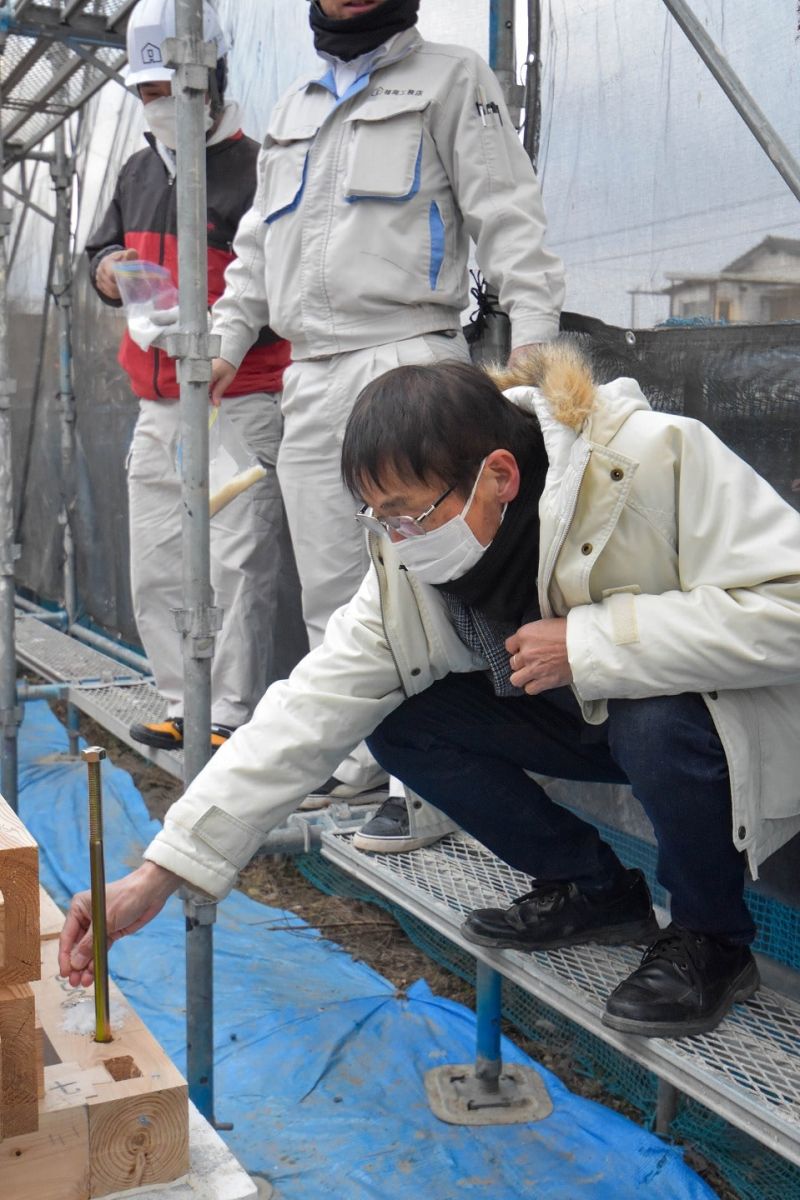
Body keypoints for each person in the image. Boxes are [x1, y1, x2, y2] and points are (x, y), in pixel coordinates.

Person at [60, 343, 800, 1039]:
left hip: (715, 723)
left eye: (410, 512)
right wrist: (161, 872)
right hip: (594, 719)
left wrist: (594, 643)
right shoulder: (410, 564)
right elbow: (304, 711)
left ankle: (711, 940)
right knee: (403, 718)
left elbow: (790, 607)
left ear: (500, 476)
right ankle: (593, 892)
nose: (400, 537)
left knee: (654, 716)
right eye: (379, 517)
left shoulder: (650, 458)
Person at [209, 0, 565, 841]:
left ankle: (431, 793)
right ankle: (360, 762)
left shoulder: (450, 78)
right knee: (333, 585)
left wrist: (538, 353)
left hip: (406, 356)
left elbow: (508, 215)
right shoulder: (294, 108)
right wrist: (226, 337)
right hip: (310, 370)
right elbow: (257, 245)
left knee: (425, 585)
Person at [85, 0, 304, 753]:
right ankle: (184, 701)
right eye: (146, 93)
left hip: (241, 398)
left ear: (210, 82)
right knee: (157, 559)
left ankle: (228, 715)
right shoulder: (139, 170)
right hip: (159, 403)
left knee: (236, 564)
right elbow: (99, 255)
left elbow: (281, 286)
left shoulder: (259, 168)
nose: (159, 106)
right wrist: (112, 273)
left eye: (170, 90)